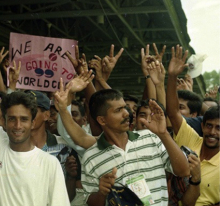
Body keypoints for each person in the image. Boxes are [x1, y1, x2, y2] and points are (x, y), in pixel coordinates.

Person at [0, 29, 70, 206]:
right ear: (4, 122)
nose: (17, 125)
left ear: (33, 123)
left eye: (24, 119)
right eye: (12, 119)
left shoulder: (50, 164)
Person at [54, 82, 189, 206]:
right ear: (102, 120)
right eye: (118, 110)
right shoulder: (91, 157)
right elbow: (90, 201)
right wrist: (102, 193)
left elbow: (184, 170)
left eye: (124, 108)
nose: (126, 113)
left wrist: (164, 133)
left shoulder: (150, 138)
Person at [166, 45, 220, 205]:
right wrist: (172, 77)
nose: (212, 132)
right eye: (209, 126)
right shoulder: (192, 140)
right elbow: (173, 113)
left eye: (219, 128)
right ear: (202, 126)